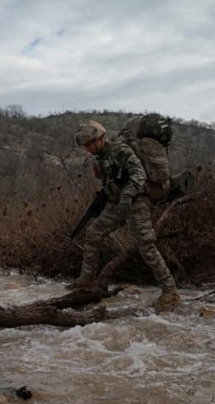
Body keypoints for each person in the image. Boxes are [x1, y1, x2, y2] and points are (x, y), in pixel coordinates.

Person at [69, 120, 180, 312]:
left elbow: (139, 174)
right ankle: (86, 280)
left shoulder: (120, 150)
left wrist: (128, 195)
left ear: (101, 138)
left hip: (136, 203)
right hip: (116, 204)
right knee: (94, 233)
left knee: (147, 246)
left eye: (90, 144)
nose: (88, 149)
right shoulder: (100, 157)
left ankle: (170, 291)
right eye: (85, 146)